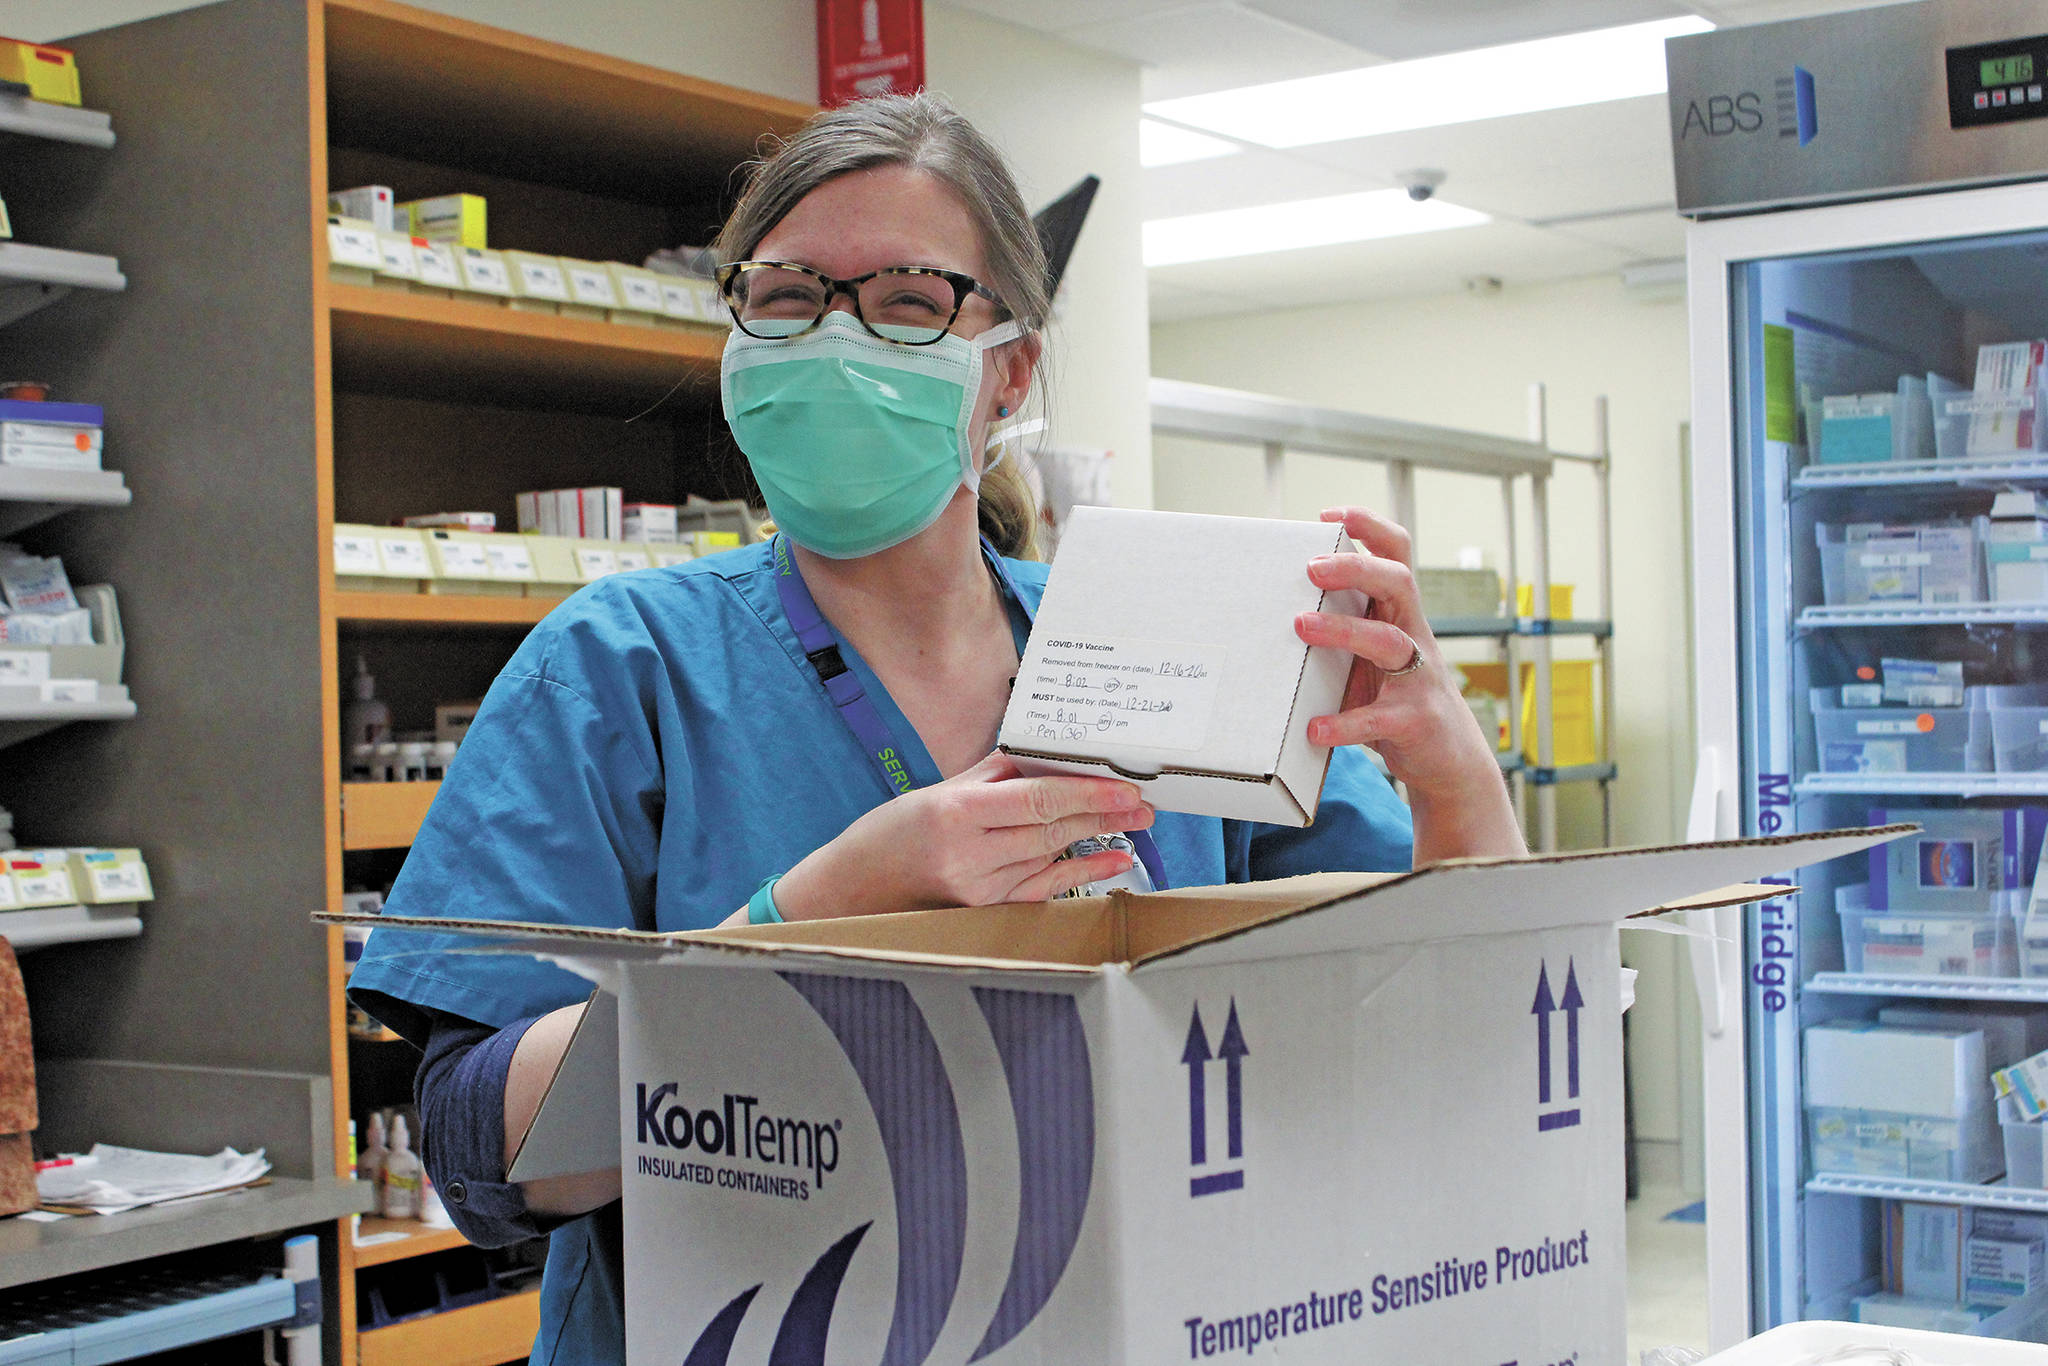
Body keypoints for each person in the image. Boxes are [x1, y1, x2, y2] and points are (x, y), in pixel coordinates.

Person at [347, 91, 1523, 1365]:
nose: (835, 342)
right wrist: (798, 926)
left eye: (908, 302)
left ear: (1010, 367)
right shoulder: (619, 670)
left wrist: (1449, 768)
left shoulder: (1163, 643)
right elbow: (476, 1152)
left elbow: (1440, 1021)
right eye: (788, 296)